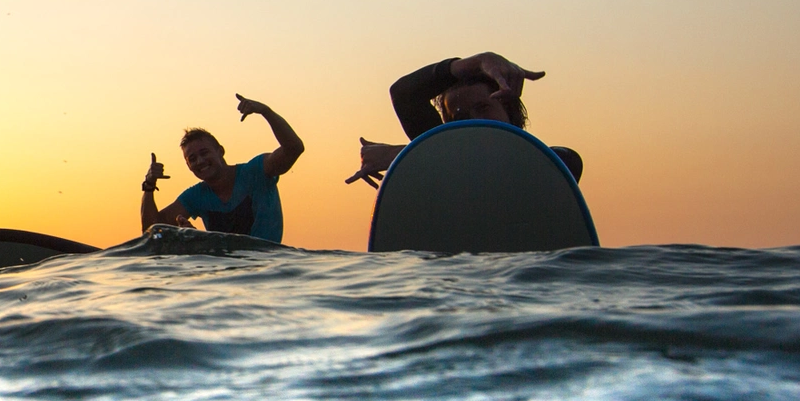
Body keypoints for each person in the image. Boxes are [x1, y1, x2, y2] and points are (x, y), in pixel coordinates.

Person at [345, 52, 581, 188]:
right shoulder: (441, 162)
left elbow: (563, 163)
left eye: (483, 108)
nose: (473, 122)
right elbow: (404, 93)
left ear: (510, 112)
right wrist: (476, 62)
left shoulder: (553, 164)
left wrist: (402, 156)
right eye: (458, 117)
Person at [139, 95, 305, 242]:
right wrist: (149, 185)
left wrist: (266, 111)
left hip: (267, 268)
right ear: (188, 166)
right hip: (225, 272)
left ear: (221, 151)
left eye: (204, 153)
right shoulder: (195, 196)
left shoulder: (257, 171)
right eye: (192, 159)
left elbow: (294, 148)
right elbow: (152, 230)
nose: (200, 161)